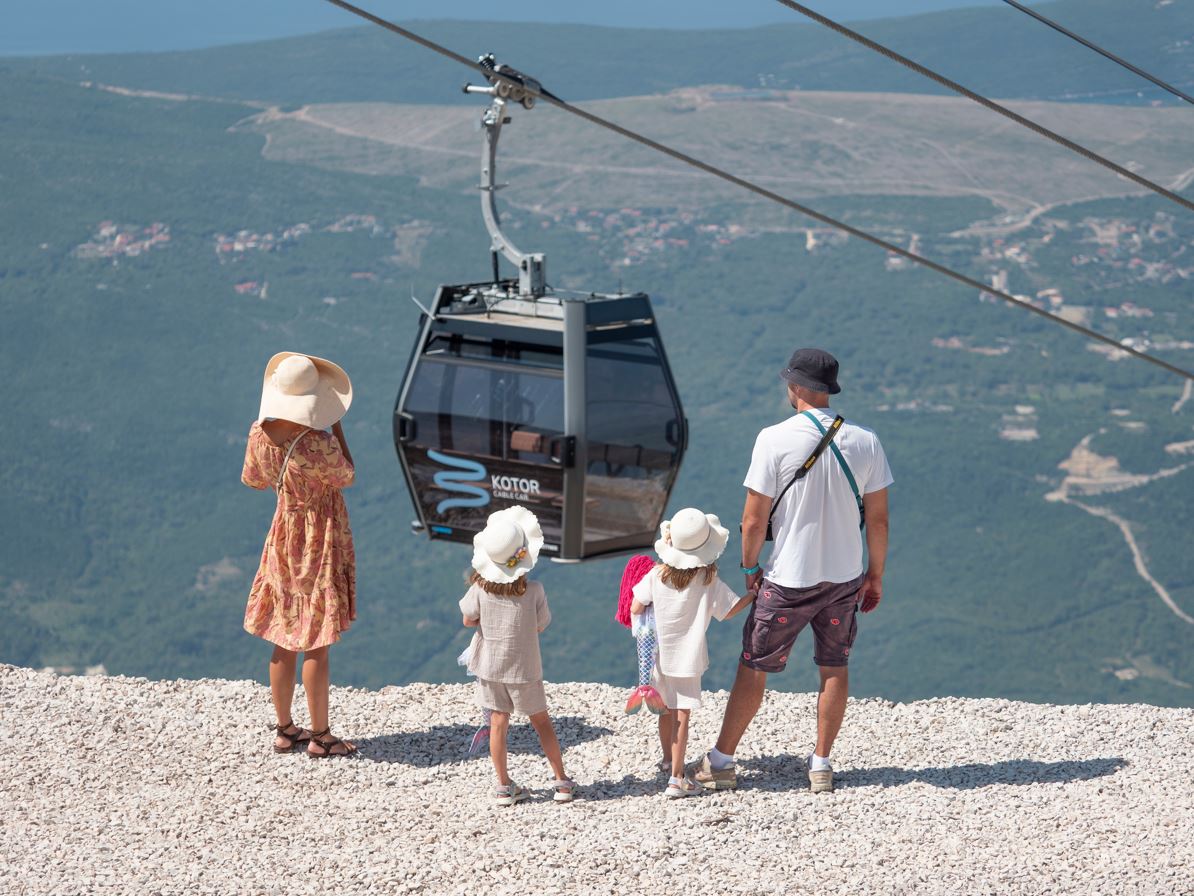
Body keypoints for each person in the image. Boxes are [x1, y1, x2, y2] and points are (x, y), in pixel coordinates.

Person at [694, 348, 892, 793]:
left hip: (787, 577)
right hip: (844, 576)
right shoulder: (866, 441)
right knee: (834, 665)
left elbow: (753, 518)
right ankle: (821, 764)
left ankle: (722, 761)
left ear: (798, 388)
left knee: (755, 664)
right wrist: (874, 575)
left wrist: (749, 567)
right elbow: (878, 520)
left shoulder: (773, 439)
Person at [241, 351, 358, 758]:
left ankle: (285, 729)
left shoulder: (259, 433)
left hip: (283, 534)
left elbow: (254, 480)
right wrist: (337, 427)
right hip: (318, 537)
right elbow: (347, 474)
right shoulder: (318, 443)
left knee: (282, 633)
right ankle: (322, 737)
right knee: (316, 641)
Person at [630, 508, 756, 798]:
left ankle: (666, 761)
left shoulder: (655, 575)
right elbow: (728, 612)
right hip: (688, 659)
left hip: (658, 657)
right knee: (681, 715)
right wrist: (753, 595)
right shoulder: (707, 580)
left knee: (664, 709)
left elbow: (636, 608)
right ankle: (676, 779)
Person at [460, 506, 575, 805]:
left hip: (490, 668)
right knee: (542, 723)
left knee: (498, 722)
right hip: (524, 670)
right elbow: (540, 625)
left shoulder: (479, 590)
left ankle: (503, 786)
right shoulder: (534, 590)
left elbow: (467, 619)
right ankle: (561, 782)